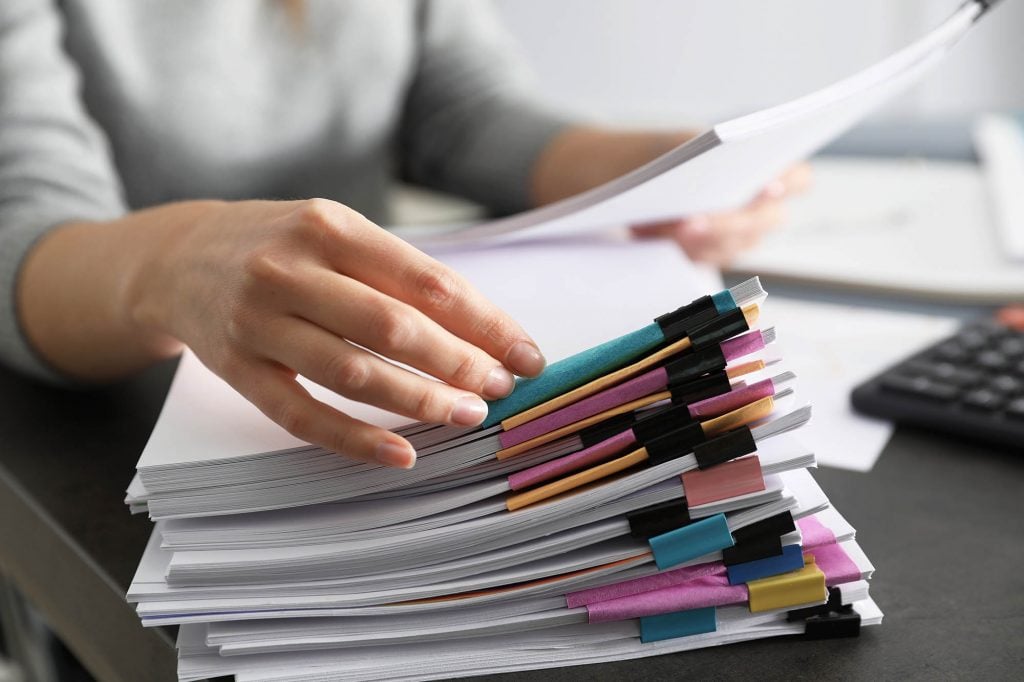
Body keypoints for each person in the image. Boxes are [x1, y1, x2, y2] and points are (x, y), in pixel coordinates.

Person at [0, 0, 808, 469]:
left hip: (361, 370)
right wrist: (173, 264)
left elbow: (461, 108)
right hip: (109, 413)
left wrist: (649, 167)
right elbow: (23, 221)